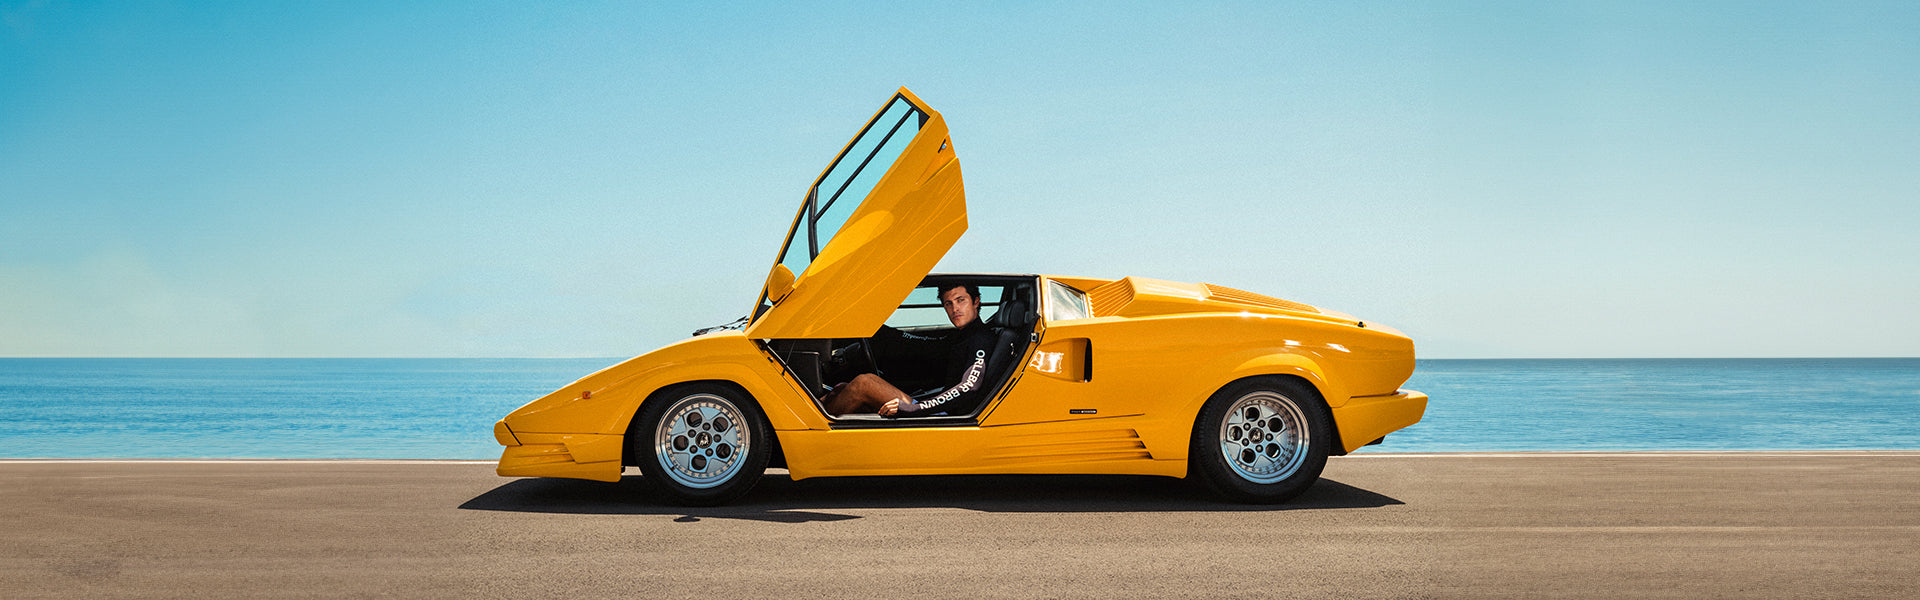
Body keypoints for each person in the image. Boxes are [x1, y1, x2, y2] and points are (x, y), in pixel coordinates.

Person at [823, 284, 997, 418]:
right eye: (948, 303)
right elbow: (924, 347)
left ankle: (815, 428)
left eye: (961, 300)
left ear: (976, 301)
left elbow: (969, 386)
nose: (954, 309)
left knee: (864, 383)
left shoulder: (980, 338)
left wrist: (915, 407)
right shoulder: (962, 336)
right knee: (844, 388)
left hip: (945, 416)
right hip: (937, 405)